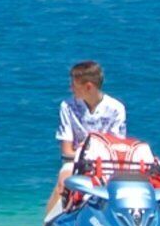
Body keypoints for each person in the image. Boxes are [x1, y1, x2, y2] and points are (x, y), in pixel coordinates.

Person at [52, 60, 128, 205]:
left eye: (74, 85)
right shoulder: (67, 107)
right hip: (75, 163)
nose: (70, 88)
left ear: (88, 87)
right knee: (62, 186)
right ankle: (49, 225)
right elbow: (67, 152)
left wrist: (83, 149)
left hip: (108, 164)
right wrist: (91, 153)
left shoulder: (116, 109)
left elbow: (117, 150)